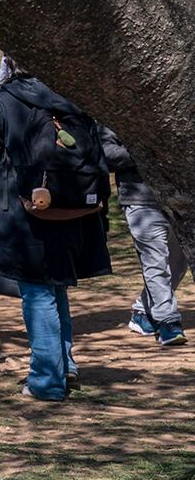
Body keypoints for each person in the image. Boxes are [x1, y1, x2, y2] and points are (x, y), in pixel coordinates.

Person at [0, 70, 113, 400]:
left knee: (38, 294)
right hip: (74, 210)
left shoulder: (4, 102)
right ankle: (64, 364)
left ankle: (47, 380)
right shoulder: (72, 96)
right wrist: (100, 217)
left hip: (24, 215)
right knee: (56, 288)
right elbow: (98, 160)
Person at [101, 127, 187, 347]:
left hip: (181, 199)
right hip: (140, 200)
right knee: (156, 262)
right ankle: (168, 322)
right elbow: (106, 153)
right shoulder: (118, 114)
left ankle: (142, 312)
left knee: (178, 264)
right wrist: (147, 150)